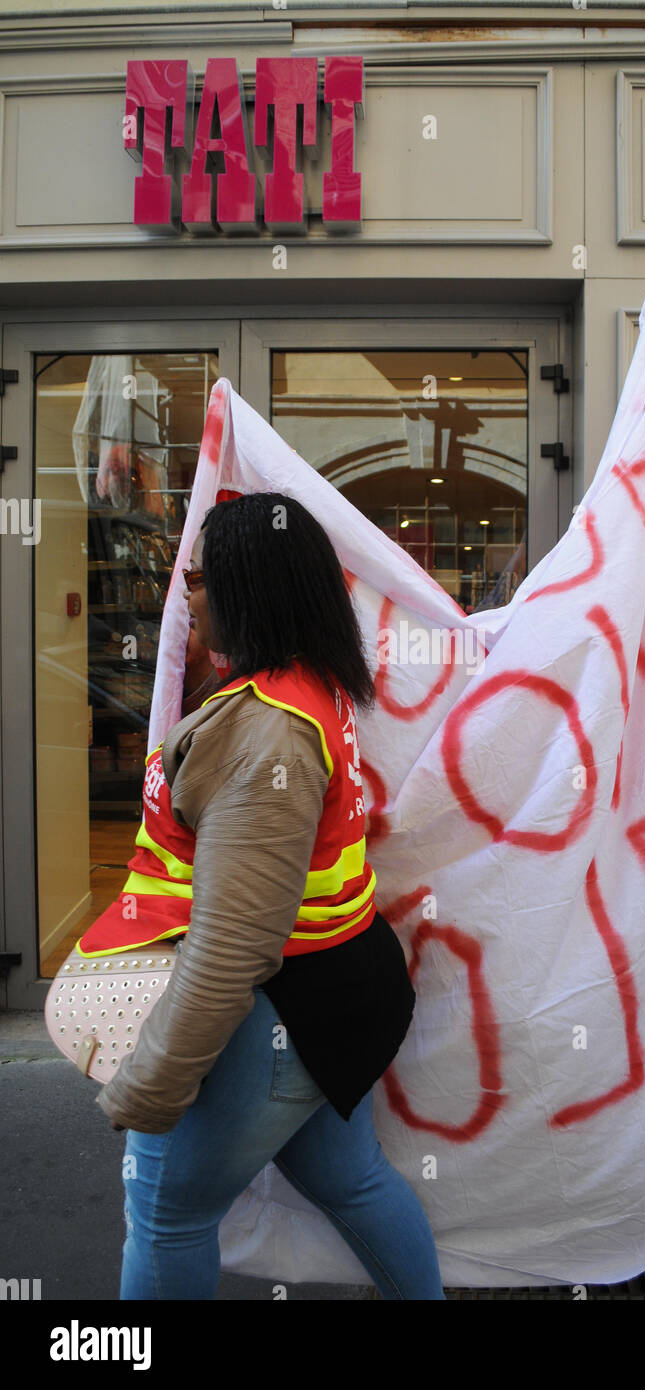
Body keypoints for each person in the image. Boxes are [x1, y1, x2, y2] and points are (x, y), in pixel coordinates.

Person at [92, 491, 445, 1300]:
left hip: (288, 1005)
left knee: (165, 1212)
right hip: (336, 991)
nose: (185, 595)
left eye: (200, 581)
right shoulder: (307, 685)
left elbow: (230, 950)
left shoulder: (265, 728)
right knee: (351, 1182)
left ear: (247, 592)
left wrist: (151, 1082)